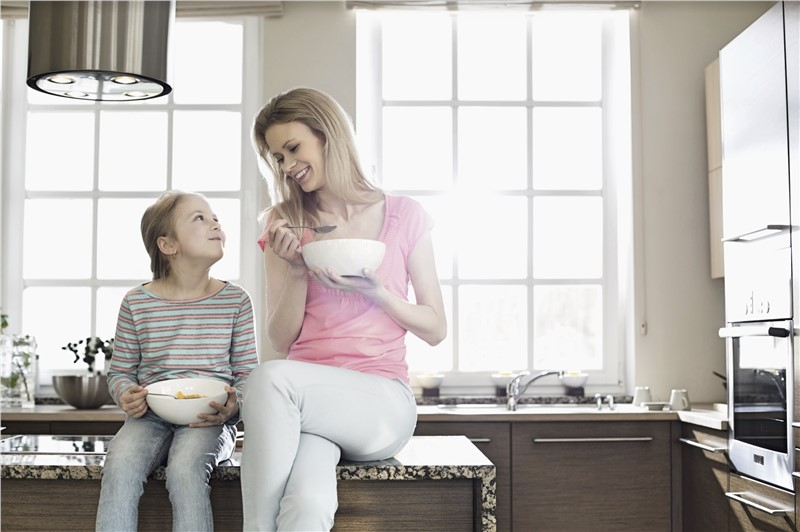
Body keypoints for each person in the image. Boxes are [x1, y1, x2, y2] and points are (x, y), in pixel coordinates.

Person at [241, 87, 447, 531]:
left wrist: (380, 294)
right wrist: (296, 270)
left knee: (270, 379)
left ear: (328, 135)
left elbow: (435, 327)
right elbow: (280, 340)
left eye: (293, 147)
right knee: (307, 505)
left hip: (381, 403)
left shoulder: (404, 215)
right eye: (277, 157)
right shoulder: (283, 222)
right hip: (309, 406)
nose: (287, 165)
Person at [96, 190, 259, 532]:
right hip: (149, 418)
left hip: (208, 419)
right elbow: (121, 372)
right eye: (199, 218)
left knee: (185, 470)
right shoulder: (136, 303)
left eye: (214, 216)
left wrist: (235, 406)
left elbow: (246, 373)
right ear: (167, 245)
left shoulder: (236, 301)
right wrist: (125, 394)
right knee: (119, 466)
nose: (215, 222)